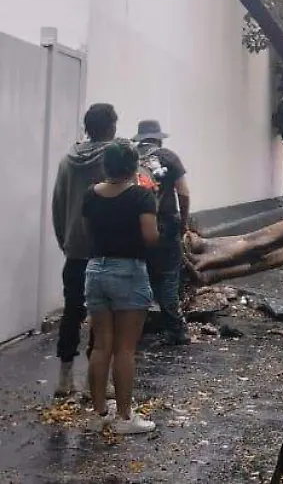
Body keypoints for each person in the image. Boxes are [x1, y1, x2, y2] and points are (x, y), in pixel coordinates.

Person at [82, 140, 159, 434]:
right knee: (125, 349)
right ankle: (125, 418)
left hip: (96, 269)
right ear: (132, 166)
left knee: (102, 345)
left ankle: (100, 413)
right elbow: (150, 237)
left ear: (106, 165)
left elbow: (90, 233)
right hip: (128, 270)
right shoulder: (141, 196)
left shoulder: (91, 195)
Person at [51, 103, 118, 396]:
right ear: (110, 127)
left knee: (72, 312)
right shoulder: (113, 159)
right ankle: (96, 383)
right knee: (102, 316)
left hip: (74, 250)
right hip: (105, 250)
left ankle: (64, 379)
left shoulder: (67, 161)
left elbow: (57, 206)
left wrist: (66, 240)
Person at [132, 119, 191, 345]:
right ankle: (174, 329)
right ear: (158, 138)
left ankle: (137, 326)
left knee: (141, 274)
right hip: (166, 224)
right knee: (168, 276)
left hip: (137, 227)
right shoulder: (169, 157)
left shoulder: (132, 158)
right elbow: (184, 193)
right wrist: (183, 222)